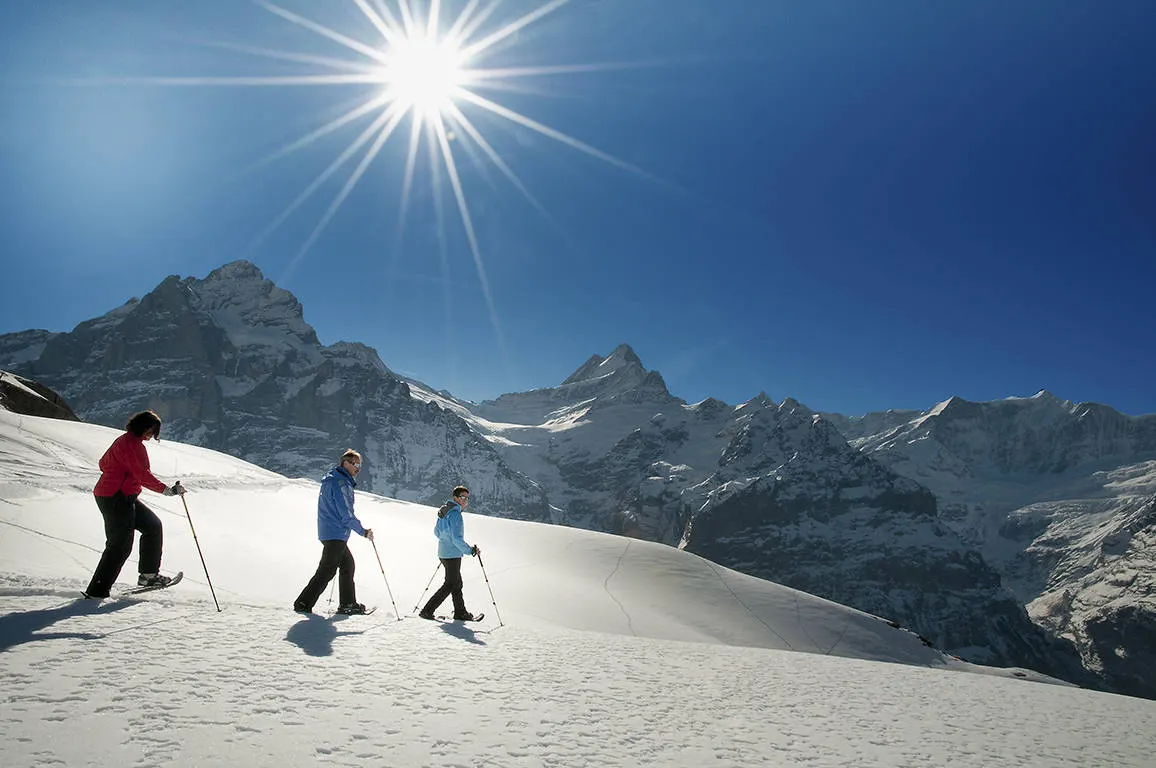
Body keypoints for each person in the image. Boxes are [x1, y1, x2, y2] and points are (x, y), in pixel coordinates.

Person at [83, 410, 186, 599]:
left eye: (153, 431)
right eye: (151, 430)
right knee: (119, 545)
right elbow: (142, 474)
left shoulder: (124, 441)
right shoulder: (132, 445)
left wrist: (120, 475)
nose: (151, 435)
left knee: (152, 526)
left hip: (122, 496)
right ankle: (97, 591)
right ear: (142, 427)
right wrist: (167, 490)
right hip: (115, 497)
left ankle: (148, 576)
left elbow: (103, 463)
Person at [294, 449, 374, 615]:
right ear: (345, 463)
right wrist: (363, 532)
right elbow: (346, 514)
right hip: (335, 533)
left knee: (346, 565)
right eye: (355, 464)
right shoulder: (340, 483)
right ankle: (304, 602)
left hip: (330, 531)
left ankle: (347, 603)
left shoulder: (332, 480)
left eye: (360, 465)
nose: (358, 468)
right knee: (327, 570)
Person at [419, 485, 480, 621]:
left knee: (456, 583)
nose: (465, 500)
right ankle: (427, 611)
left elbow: (437, 532)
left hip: (443, 553)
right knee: (450, 584)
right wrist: (470, 550)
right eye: (462, 497)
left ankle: (460, 612)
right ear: (455, 498)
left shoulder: (444, 511)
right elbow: (457, 539)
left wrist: (446, 541)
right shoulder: (455, 514)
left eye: (467, 498)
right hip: (452, 554)